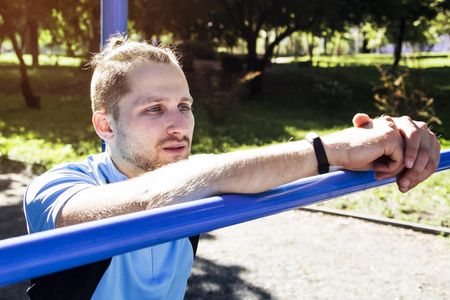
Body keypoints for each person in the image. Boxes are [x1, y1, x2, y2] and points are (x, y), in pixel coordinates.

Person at [23, 35, 441, 300]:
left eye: (184, 106)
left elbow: (225, 174)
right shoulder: (54, 188)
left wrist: (392, 138)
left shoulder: (188, 177)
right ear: (104, 125)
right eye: (154, 108)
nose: (178, 124)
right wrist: (328, 148)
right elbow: (156, 195)